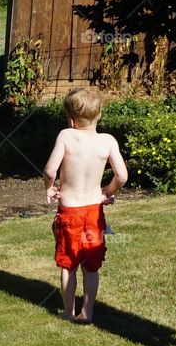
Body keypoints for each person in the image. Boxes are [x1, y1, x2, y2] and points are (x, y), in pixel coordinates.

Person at [43, 87, 128, 323]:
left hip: (70, 210)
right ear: (99, 115)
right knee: (91, 267)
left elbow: (50, 170)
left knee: (68, 265)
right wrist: (107, 193)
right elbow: (121, 176)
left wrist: (50, 187)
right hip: (94, 210)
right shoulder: (107, 141)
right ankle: (87, 312)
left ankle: (69, 312)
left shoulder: (66, 136)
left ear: (70, 120)